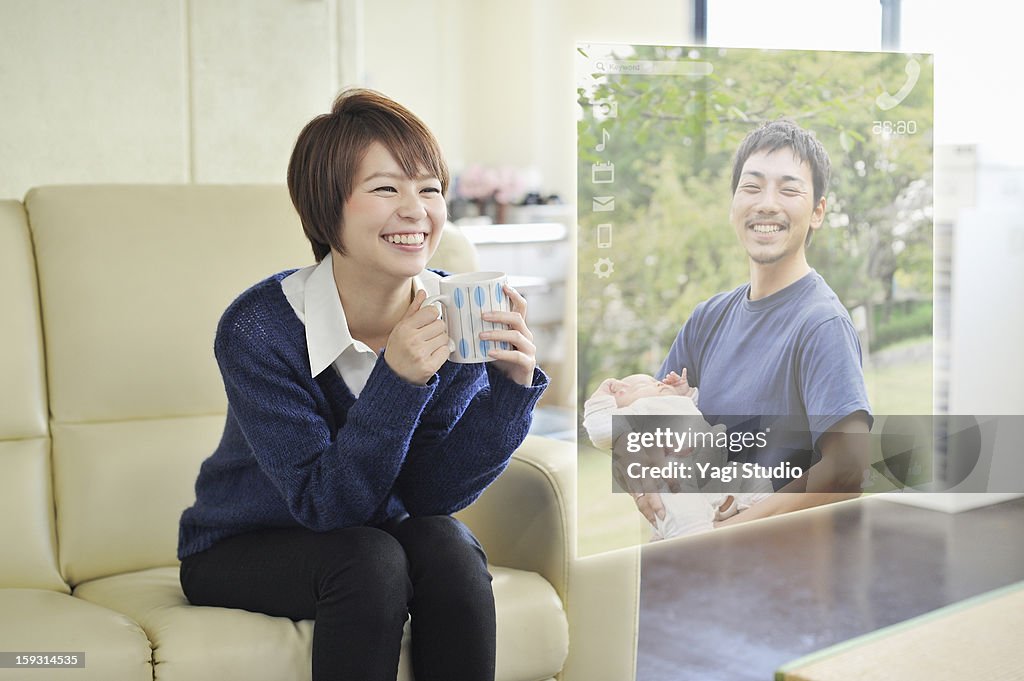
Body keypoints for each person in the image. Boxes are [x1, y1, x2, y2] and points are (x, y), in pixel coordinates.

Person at [177, 88, 547, 681]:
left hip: (373, 536)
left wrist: (509, 393)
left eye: (429, 188)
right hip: (244, 543)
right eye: (385, 188)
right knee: (370, 558)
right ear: (328, 210)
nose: (416, 209)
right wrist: (398, 381)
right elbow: (325, 505)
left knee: (448, 546)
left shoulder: (455, 309)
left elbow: (430, 496)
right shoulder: (259, 329)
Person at [636, 119, 872, 529]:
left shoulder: (821, 324)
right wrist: (642, 473)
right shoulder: (706, 320)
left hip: (788, 574)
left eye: (789, 188)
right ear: (733, 205)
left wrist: (730, 533)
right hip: (699, 564)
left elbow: (848, 468)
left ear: (818, 211)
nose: (767, 203)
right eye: (752, 186)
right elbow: (648, 426)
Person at [582, 369, 770, 540]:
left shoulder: (677, 403)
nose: (658, 383)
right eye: (642, 385)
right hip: (674, 477)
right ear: (621, 404)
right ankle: (693, 541)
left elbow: (697, 409)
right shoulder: (635, 413)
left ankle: (759, 507)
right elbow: (600, 432)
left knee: (751, 477)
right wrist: (601, 397)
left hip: (715, 471)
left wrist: (685, 392)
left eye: (655, 381)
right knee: (678, 502)